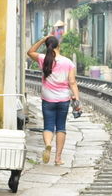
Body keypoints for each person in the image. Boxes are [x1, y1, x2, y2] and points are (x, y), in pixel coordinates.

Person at [27, 34, 80, 166]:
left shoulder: (44, 59)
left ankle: (48, 144)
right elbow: (72, 82)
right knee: (61, 127)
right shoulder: (68, 62)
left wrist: (42, 39)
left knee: (48, 126)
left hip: (48, 98)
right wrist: (77, 100)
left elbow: (30, 52)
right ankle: (58, 158)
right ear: (58, 46)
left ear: (47, 46)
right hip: (63, 99)